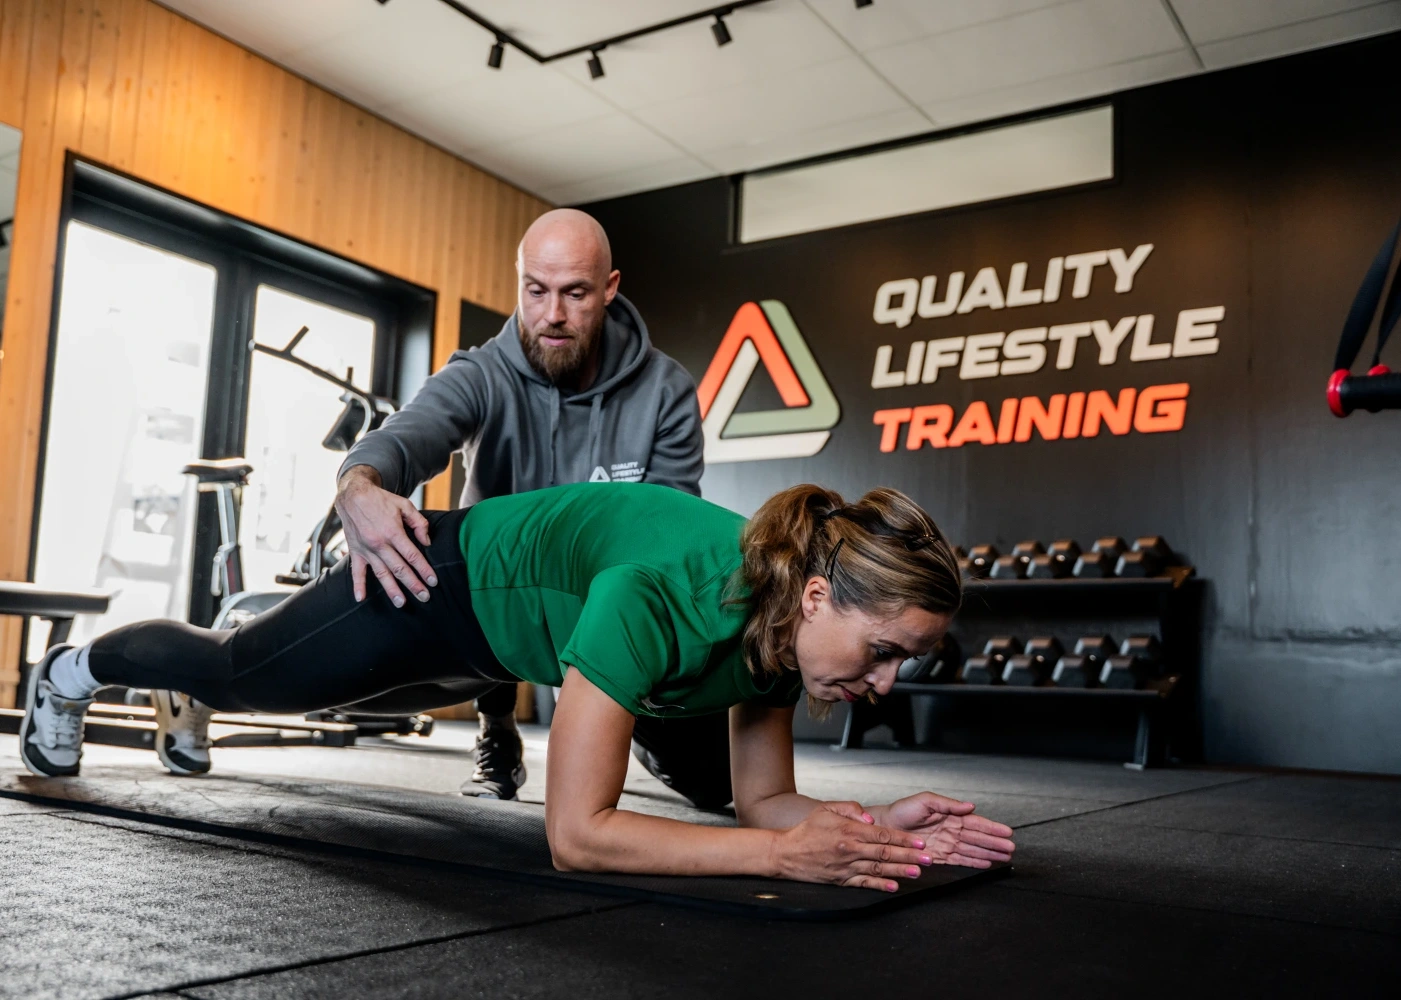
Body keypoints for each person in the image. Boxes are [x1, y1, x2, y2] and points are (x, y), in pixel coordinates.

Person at [21, 482, 1016, 889]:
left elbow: (763, 801)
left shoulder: (784, 630)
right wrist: (780, 856)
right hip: (435, 587)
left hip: (504, 649)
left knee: (338, 696)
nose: (885, 683)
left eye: (902, 662)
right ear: (817, 597)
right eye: (883, 650)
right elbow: (577, 836)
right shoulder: (660, 594)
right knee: (243, 674)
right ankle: (70, 672)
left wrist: (876, 827)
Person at [152, 207, 717, 804]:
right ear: (520, 282)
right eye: (536, 290)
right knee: (344, 677)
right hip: (492, 604)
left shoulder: (664, 391)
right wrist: (359, 484)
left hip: (608, 604)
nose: (553, 314)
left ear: (609, 288)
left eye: (575, 293)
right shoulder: (483, 372)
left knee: (712, 784)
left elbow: (668, 530)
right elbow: (410, 433)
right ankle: (495, 725)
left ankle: (637, 727)